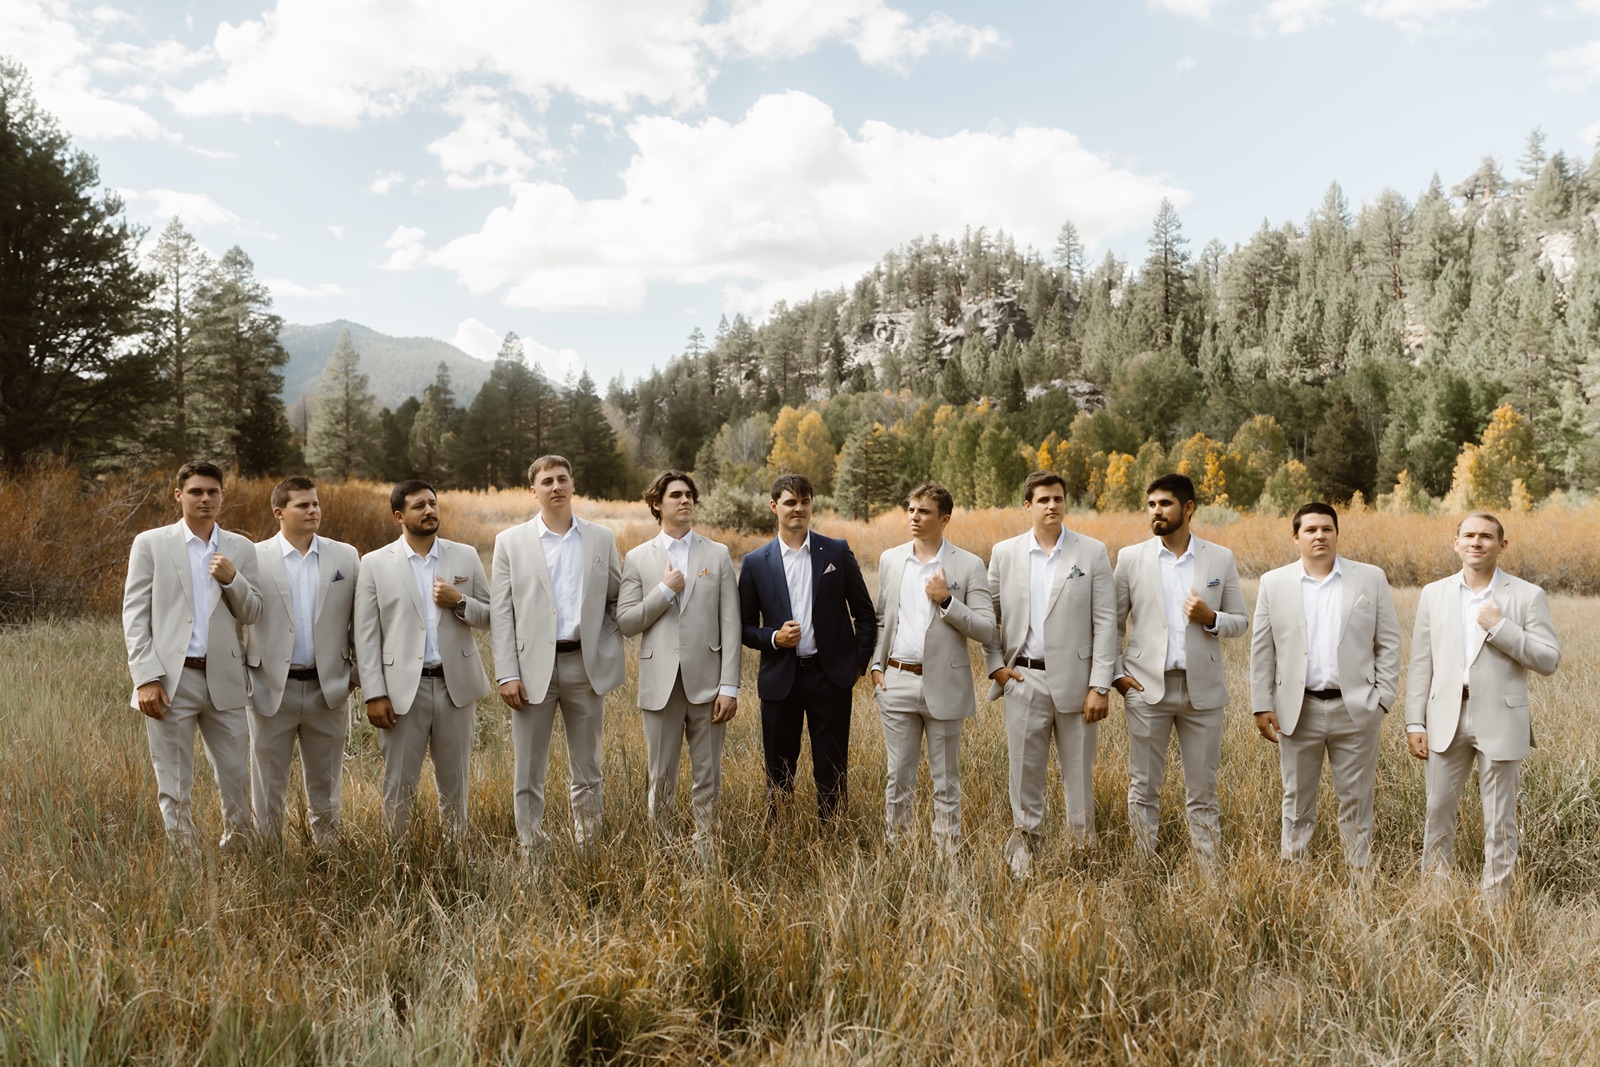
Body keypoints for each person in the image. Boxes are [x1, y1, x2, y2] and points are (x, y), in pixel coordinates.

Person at [1407, 512, 1560, 897]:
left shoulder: (1527, 595)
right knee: (1438, 812)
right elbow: (1421, 662)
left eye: (1486, 537)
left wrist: (1500, 628)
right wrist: (1414, 722)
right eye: (1469, 536)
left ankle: (1496, 903)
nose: (1477, 542)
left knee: (1500, 819)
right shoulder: (1434, 593)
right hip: (1445, 716)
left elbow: (1548, 660)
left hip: (1501, 718)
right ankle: (1437, 897)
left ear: (1501, 545)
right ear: (1456, 542)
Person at [1249, 502, 1400, 873]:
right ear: (1296, 537)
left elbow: (1389, 643)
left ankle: (1360, 878)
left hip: (1357, 709)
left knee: (1357, 800)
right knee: (1297, 799)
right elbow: (1262, 649)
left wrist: (1382, 699)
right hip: (1297, 710)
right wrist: (1260, 704)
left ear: (1337, 533)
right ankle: (1295, 875)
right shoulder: (1274, 582)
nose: (1320, 535)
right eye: (1311, 529)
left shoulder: (1370, 578)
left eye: (1327, 529)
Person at [122, 460, 263, 851]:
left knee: (237, 778)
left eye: (213, 491)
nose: (205, 498)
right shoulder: (151, 543)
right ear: (178, 495)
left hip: (226, 680)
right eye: (196, 491)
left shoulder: (241, 548)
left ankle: (238, 852)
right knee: (174, 781)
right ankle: (187, 861)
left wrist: (233, 580)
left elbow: (253, 613)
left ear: (223, 496)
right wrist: (146, 677)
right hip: (170, 681)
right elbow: (134, 616)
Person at [983, 470, 1115, 877]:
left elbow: (1106, 621)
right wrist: (997, 668)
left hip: (1078, 686)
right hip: (1022, 680)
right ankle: (1023, 856)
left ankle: (1083, 855)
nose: (1052, 505)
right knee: (1024, 776)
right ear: (1028, 505)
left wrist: (1099, 685)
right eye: (1043, 500)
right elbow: (988, 616)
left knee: (1079, 776)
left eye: (1058, 498)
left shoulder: (1091, 552)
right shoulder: (1005, 553)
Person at [1113, 473, 1247, 866]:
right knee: (1143, 787)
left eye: (1165, 504)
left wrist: (1211, 617)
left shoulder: (1219, 558)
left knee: (1203, 791)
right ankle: (1141, 868)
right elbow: (1112, 624)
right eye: (1151, 504)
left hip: (1201, 692)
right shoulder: (1130, 557)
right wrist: (1118, 677)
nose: (1156, 511)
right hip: (1146, 688)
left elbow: (1240, 620)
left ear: (1188, 509)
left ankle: (1209, 874)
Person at [491, 455, 623, 851]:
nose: (556, 486)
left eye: (562, 479)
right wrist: (506, 673)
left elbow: (617, 600)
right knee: (528, 770)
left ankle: (588, 849)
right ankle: (532, 849)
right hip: (532, 673)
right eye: (546, 481)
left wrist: (606, 644)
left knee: (588, 769)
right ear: (533, 490)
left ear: (573, 485)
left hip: (585, 667)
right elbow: (501, 613)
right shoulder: (509, 543)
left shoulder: (601, 539)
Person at [354, 479, 491, 838]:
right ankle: (396, 864)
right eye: (419, 506)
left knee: (456, 787)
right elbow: (365, 635)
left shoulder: (465, 555)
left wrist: (459, 601)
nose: (429, 510)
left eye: (433, 503)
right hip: (400, 694)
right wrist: (374, 693)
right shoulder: (374, 563)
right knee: (398, 787)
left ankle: (457, 860)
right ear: (399, 516)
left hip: (455, 687)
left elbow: (493, 615)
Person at [739, 473, 876, 823]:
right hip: (780, 680)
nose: (799, 508)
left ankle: (833, 836)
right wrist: (774, 638)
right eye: (790, 502)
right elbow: (744, 627)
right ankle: (782, 840)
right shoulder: (755, 563)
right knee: (779, 770)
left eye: (805, 501)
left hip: (829, 677)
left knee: (832, 768)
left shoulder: (836, 551)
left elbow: (864, 613)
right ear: (774, 507)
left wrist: (858, 664)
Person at [868, 481, 994, 856]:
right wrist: (877, 666)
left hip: (946, 683)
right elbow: (881, 619)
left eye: (923, 511)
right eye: (910, 509)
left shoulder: (969, 564)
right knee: (898, 778)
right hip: (897, 680)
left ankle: (947, 855)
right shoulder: (891, 559)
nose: (914, 517)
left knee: (945, 780)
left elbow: (987, 629)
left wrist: (947, 600)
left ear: (945, 519)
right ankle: (898, 851)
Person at [616, 470, 740, 839]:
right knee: (661, 778)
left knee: (708, 776)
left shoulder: (717, 554)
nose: (685, 500)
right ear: (657, 504)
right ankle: (662, 851)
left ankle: (707, 849)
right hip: (660, 686)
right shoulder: (637, 558)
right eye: (676, 495)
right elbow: (625, 622)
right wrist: (664, 592)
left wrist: (730, 686)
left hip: (709, 684)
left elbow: (730, 623)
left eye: (689, 495)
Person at [245, 476, 361, 845]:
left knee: (326, 784)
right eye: (303, 505)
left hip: (328, 690)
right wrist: (245, 677)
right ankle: (267, 857)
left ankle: (328, 856)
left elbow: (362, 620)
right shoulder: (253, 557)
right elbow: (235, 618)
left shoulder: (345, 555)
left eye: (316, 503)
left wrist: (354, 675)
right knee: (267, 785)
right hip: (269, 689)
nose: (314, 510)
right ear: (279, 512)